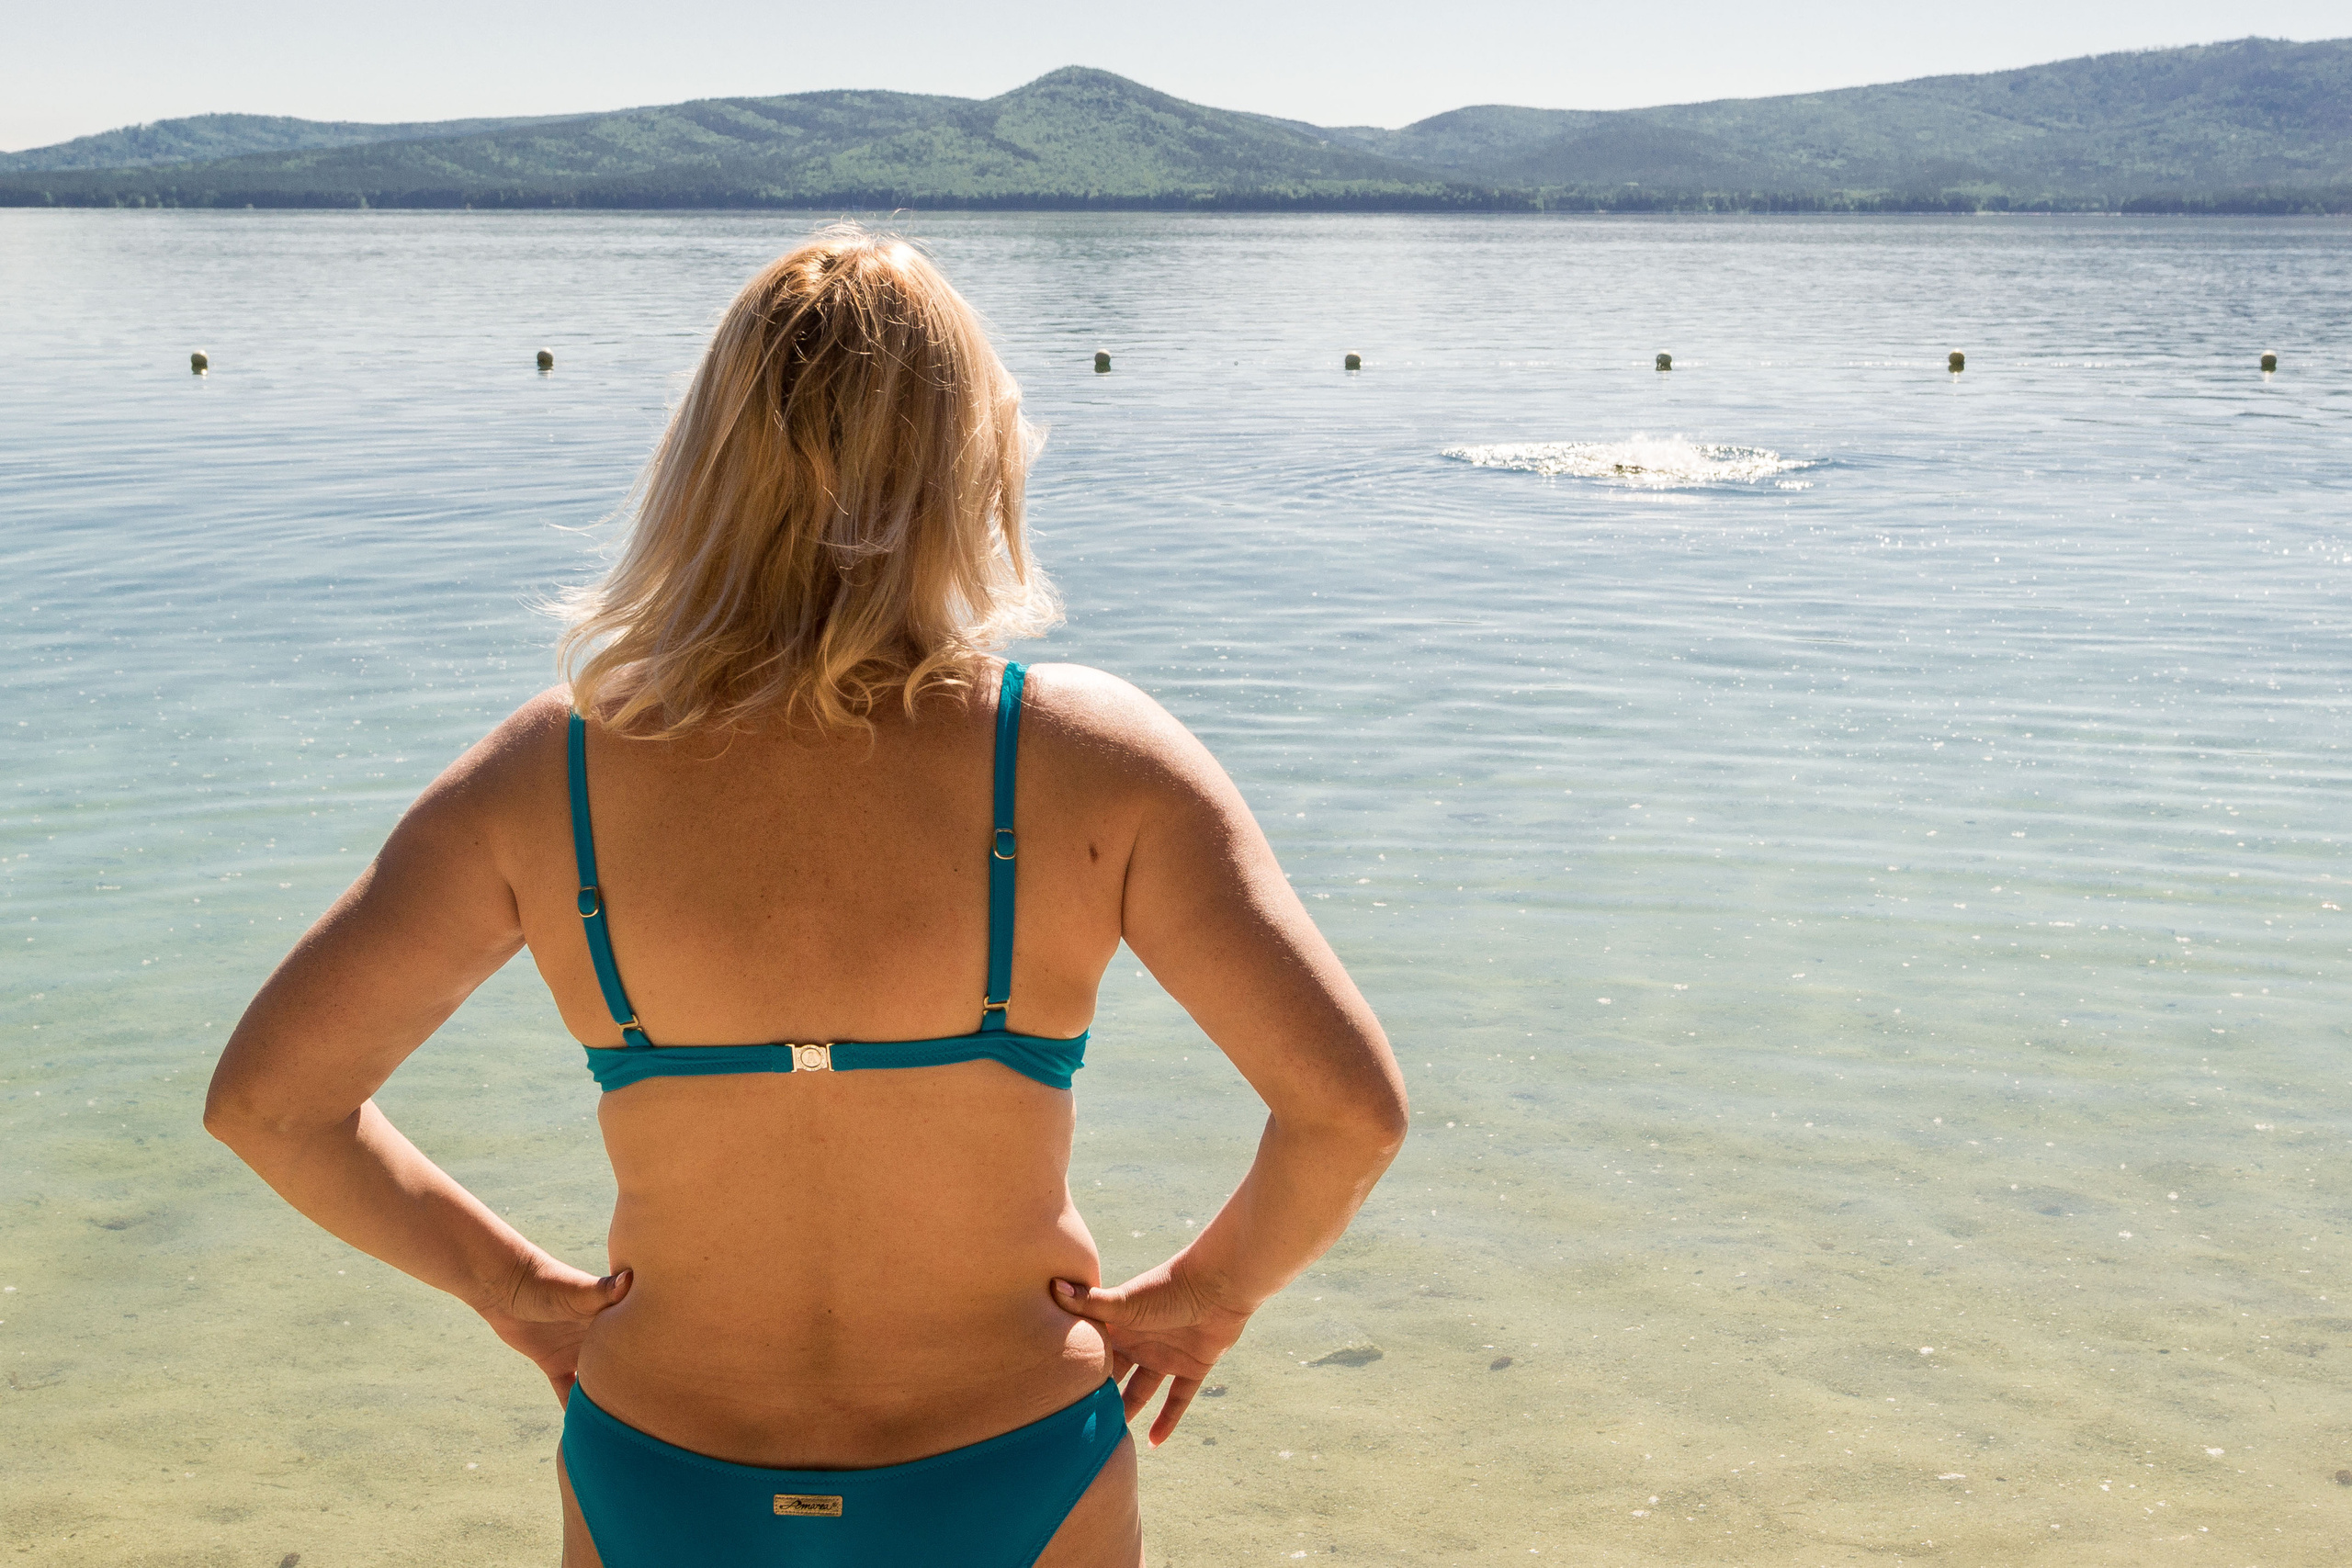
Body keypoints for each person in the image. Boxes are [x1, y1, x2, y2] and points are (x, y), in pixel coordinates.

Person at [203, 225, 1407, 1568]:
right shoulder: (1093, 763)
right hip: (1004, 1450)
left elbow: (270, 1104)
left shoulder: (552, 773)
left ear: (701, 465)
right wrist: (1209, 1294)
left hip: (664, 1459)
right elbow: (1345, 1112)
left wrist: (514, 1291)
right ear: (974, 465)